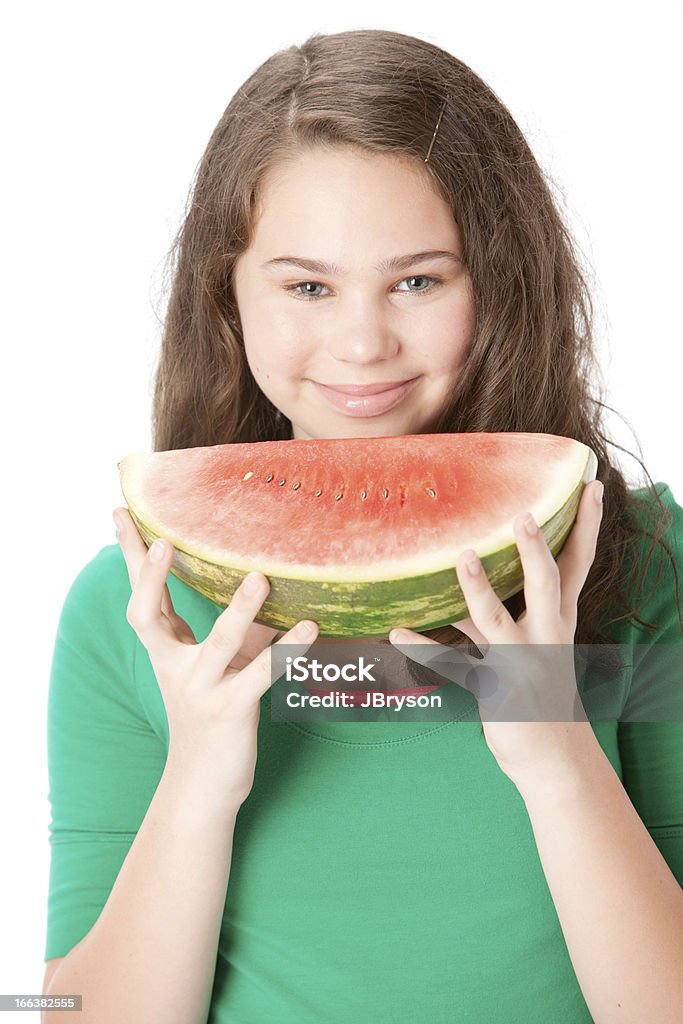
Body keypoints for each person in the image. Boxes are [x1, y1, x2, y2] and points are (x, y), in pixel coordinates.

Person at [41, 28, 683, 1024]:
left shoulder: (637, 567)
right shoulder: (134, 611)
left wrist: (554, 747)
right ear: (228, 299)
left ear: (498, 283)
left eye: (418, 280)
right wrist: (199, 775)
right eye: (306, 286)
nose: (360, 341)